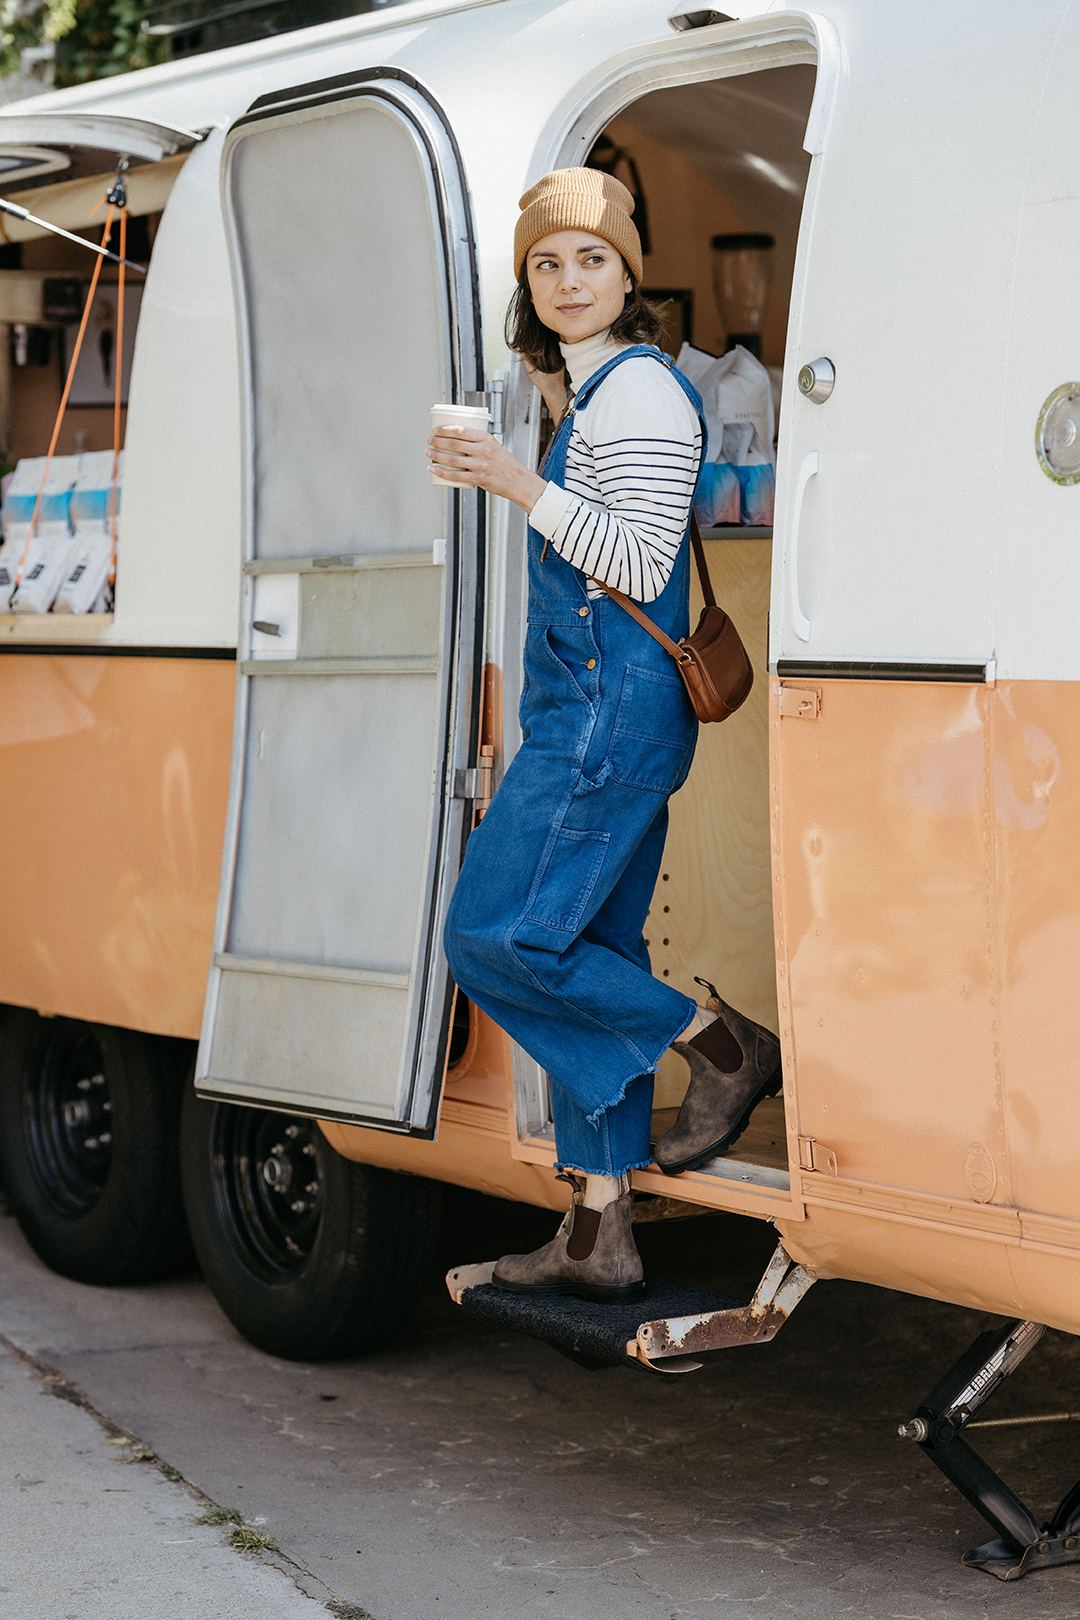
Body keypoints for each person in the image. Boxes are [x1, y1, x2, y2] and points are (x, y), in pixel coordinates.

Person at [430, 168, 780, 1305]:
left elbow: (636, 564)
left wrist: (514, 481)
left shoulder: (642, 393)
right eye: (547, 263)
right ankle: (600, 1221)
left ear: (630, 274)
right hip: (599, 715)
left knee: (494, 938)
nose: (569, 279)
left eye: (591, 258)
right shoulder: (594, 389)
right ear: (528, 287)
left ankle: (718, 1043)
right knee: (596, 955)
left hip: (602, 722)